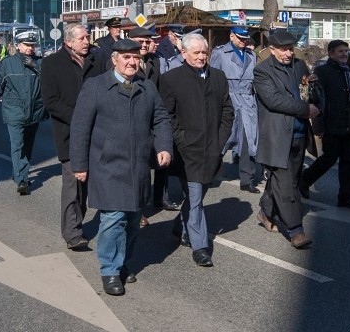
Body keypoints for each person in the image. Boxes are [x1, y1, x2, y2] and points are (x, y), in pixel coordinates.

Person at [69, 38, 173, 296]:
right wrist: (80, 164)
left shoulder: (146, 86)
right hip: (107, 165)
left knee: (133, 219)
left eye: (135, 57)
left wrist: (163, 146)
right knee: (113, 219)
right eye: (126, 57)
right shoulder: (95, 86)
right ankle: (109, 270)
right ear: (114, 59)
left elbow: (160, 119)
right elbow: (80, 127)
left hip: (138, 166)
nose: (131, 61)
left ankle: (124, 262)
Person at [160, 33, 234, 267]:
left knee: (199, 193)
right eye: (197, 53)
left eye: (205, 52)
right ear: (184, 53)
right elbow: (166, 116)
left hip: (212, 149)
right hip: (186, 151)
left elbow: (227, 111)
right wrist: (182, 140)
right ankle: (200, 246)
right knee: (195, 197)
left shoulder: (219, 77)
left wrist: (220, 139)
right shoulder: (171, 79)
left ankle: (179, 225)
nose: (202, 57)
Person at [40, 23, 105, 250]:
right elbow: (50, 101)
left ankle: (78, 221)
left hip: (97, 132)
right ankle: (72, 233)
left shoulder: (97, 62)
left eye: (87, 37)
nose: (87, 41)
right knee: (73, 184)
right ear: (68, 42)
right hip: (69, 134)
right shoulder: (51, 63)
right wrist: (80, 118)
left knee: (86, 187)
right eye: (83, 38)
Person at [254, 29, 320, 249]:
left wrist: (314, 91)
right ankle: (295, 230)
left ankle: (266, 211)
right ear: (272, 50)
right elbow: (275, 101)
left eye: (291, 48)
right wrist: (306, 108)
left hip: (299, 134)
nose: (288, 53)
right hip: (276, 137)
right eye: (283, 49)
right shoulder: (262, 72)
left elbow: (307, 91)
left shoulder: (299, 65)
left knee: (288, 181)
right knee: (286, 186)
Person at [299, 39, 350, 209]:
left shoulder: (349, 71)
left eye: (346, 51)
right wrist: (319, 127)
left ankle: (346, 197)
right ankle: (305, 179)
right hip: (332, 124)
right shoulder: (322, 71)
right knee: (328, 159)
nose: (344, 55)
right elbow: (317, 101)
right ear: (331, 53)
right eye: (340, 51)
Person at [0, 31, 49, 195]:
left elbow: (51, 83)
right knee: (17, 145)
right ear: (18, 45)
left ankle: (19, 173)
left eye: (32, 45)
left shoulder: (40, 63)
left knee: (28, 146)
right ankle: (22, 180)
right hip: (15, 112)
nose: (30, 49)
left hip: (34, 112)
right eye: (27, 45)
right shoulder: (7, 64)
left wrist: (37, 68)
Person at [127, 26, 180, 217]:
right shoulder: (123, 62)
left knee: (162, 158)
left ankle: (161, 198)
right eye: (140, 42)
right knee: (139, 166)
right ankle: (138, 209)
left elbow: (162, 89)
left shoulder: (155, 61)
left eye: (146, 42)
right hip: (134, 120)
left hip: (154, 117)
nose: (144, 45)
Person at [210, 26, 261, 193]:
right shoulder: (220, 53)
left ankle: (247, 179)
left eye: (246, 38)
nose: (243, 41)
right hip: (228, 99)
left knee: (249, 140)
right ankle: (210, 172)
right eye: (240, 38)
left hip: (247, 101)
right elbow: (213, 79)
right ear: (231, 36)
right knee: (223, 138)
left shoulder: (251, 55)